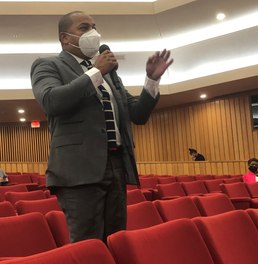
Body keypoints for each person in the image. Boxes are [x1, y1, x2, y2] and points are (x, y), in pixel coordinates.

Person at [30, 11, 173, 243]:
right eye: (84, 28)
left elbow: (137, 114)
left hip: (116, 165)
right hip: (78, 171)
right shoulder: (48, 65)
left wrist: (152, 81)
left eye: (94, 26)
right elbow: (52, 101)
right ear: (65, 38)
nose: (93, 33)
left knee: (115, 240)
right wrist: (96, 71)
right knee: (89, 245)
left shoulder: (108, 73)